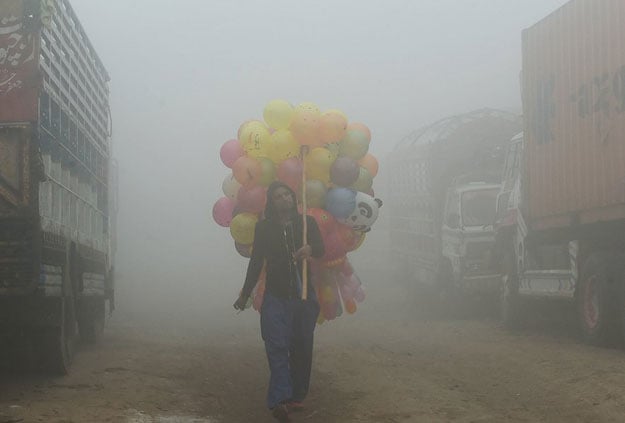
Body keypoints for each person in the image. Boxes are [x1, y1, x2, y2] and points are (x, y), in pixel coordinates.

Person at [233, 181, 324, 422]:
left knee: (302, 346)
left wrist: (310, 248)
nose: (284, 199)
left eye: (287, 195)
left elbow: (321, 249)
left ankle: (296, 395)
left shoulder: (307, 224)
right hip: (276, 295)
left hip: (304, 296)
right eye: (278, 196)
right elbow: (256, 262)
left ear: (294, 198)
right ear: (271, 202)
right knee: (276, 345)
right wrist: (245, 293)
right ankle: (279, 399)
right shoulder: (264, 228)